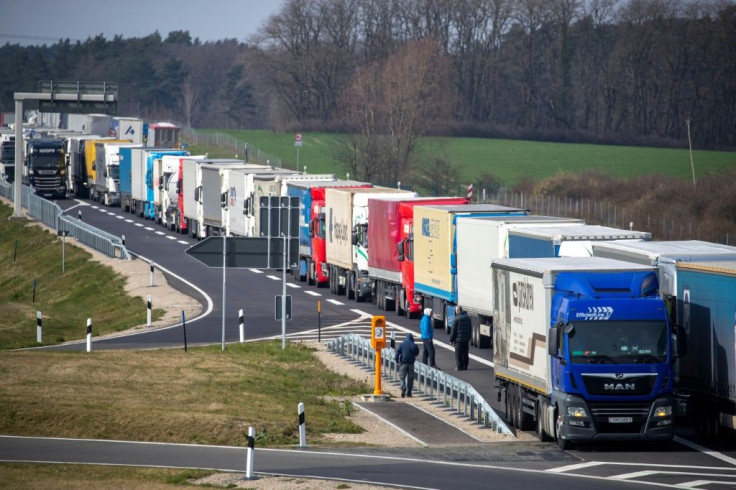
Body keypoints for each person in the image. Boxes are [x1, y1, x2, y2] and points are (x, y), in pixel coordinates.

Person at [395, 333, 419, 397]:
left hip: (403, 363)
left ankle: (403, 387)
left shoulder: (402, 344)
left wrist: (397, 360)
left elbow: (397, 352)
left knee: (402, 377)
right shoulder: (414, 345)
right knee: (410, 378)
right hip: (411, 364)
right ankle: (409, 392)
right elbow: (417, 353)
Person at [449, 305, 471, 370]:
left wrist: (451, 339)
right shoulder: (468, 318)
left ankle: (459, 366)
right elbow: (470, 329)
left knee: (458, 354)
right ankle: (465, 366)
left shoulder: (456, 319)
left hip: (458, 340)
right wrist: (468, 337)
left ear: (458, 310)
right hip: (465, 339)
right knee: (465, 354)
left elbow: (453, 331)